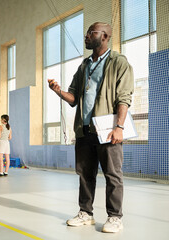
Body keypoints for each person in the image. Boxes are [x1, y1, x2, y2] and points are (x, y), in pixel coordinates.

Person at [48, 22, 134, 233]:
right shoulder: (84, 66)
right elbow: (73, 98)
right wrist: (58, 91)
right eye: (86, 32)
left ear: (104, 36)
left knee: (113, 175)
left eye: (91, 32)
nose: (86, 36)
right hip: (84, 129)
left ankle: (115, 217)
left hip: (107, 129)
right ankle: (86, 213)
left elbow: (124, 97)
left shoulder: (119, 62)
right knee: (85, 174)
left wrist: (119, 126)